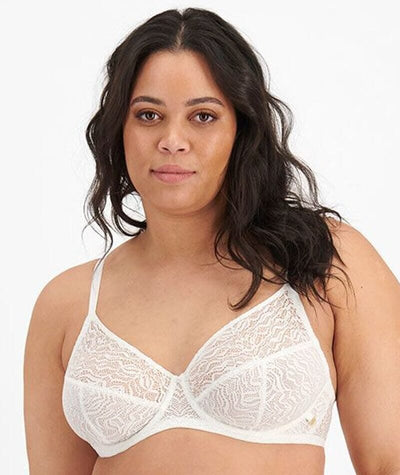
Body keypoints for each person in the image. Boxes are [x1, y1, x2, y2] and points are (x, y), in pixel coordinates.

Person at [23, 7, 400, 475]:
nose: (172, 140)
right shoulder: (66, 304)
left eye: (203, 116)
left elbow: (389, 462)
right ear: (120, 129)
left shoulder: (326, 260)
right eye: (148, 115)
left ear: (242, 129)